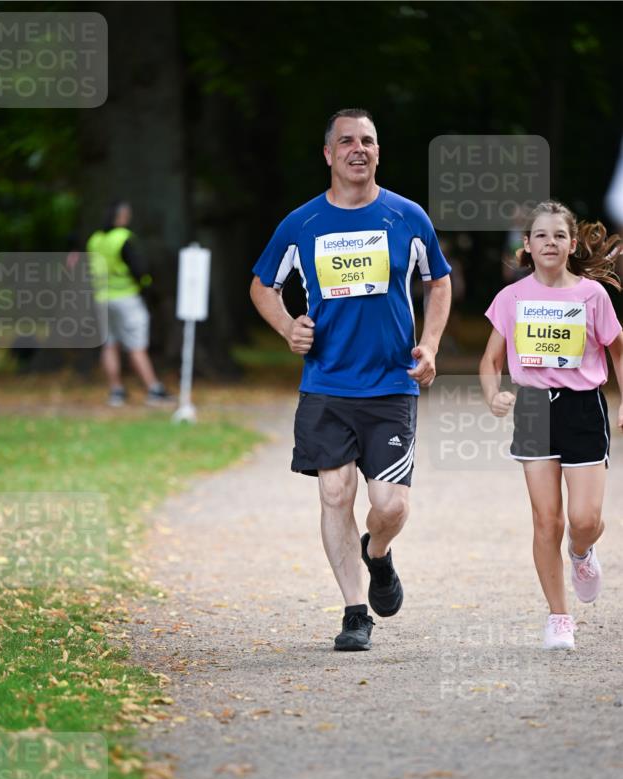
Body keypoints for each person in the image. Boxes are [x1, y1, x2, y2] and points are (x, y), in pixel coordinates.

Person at [250, 109, 452, 651]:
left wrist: (429, 345)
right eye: (347, 141)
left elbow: (439, 283)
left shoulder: (406, 217)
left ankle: (378, 555)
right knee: (334, 493)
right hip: (327, 384)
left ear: (378, 152)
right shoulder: (303, 224)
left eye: (367, 141)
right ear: (328, 154)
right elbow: (262, 285)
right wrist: (288, 325)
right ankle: (354, 611)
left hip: (390, 385)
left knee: (389, 508)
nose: (357, 149)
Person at [479, 200, 623, 651]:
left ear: (572, 243)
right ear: (527, 245)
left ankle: (582, 553)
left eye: (559, 235)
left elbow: (618, 350)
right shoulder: (512, 298)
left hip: (583, 408)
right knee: (547, 521)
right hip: (535, 410)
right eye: (540, 235)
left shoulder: (592, 295)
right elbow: (490, 360)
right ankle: (559, 617)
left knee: (585, 519)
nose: (550, 243)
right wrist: (493, 394)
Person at [86, 201, 171, 406]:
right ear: (122, 217)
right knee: (136, 346)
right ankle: (153, 389)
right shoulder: (122, 238)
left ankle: (116, 391)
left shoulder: (95, 240)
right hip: (125, 298)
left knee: (109, 345)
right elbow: (138, 269)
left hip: (101, 299)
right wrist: (148, 285)